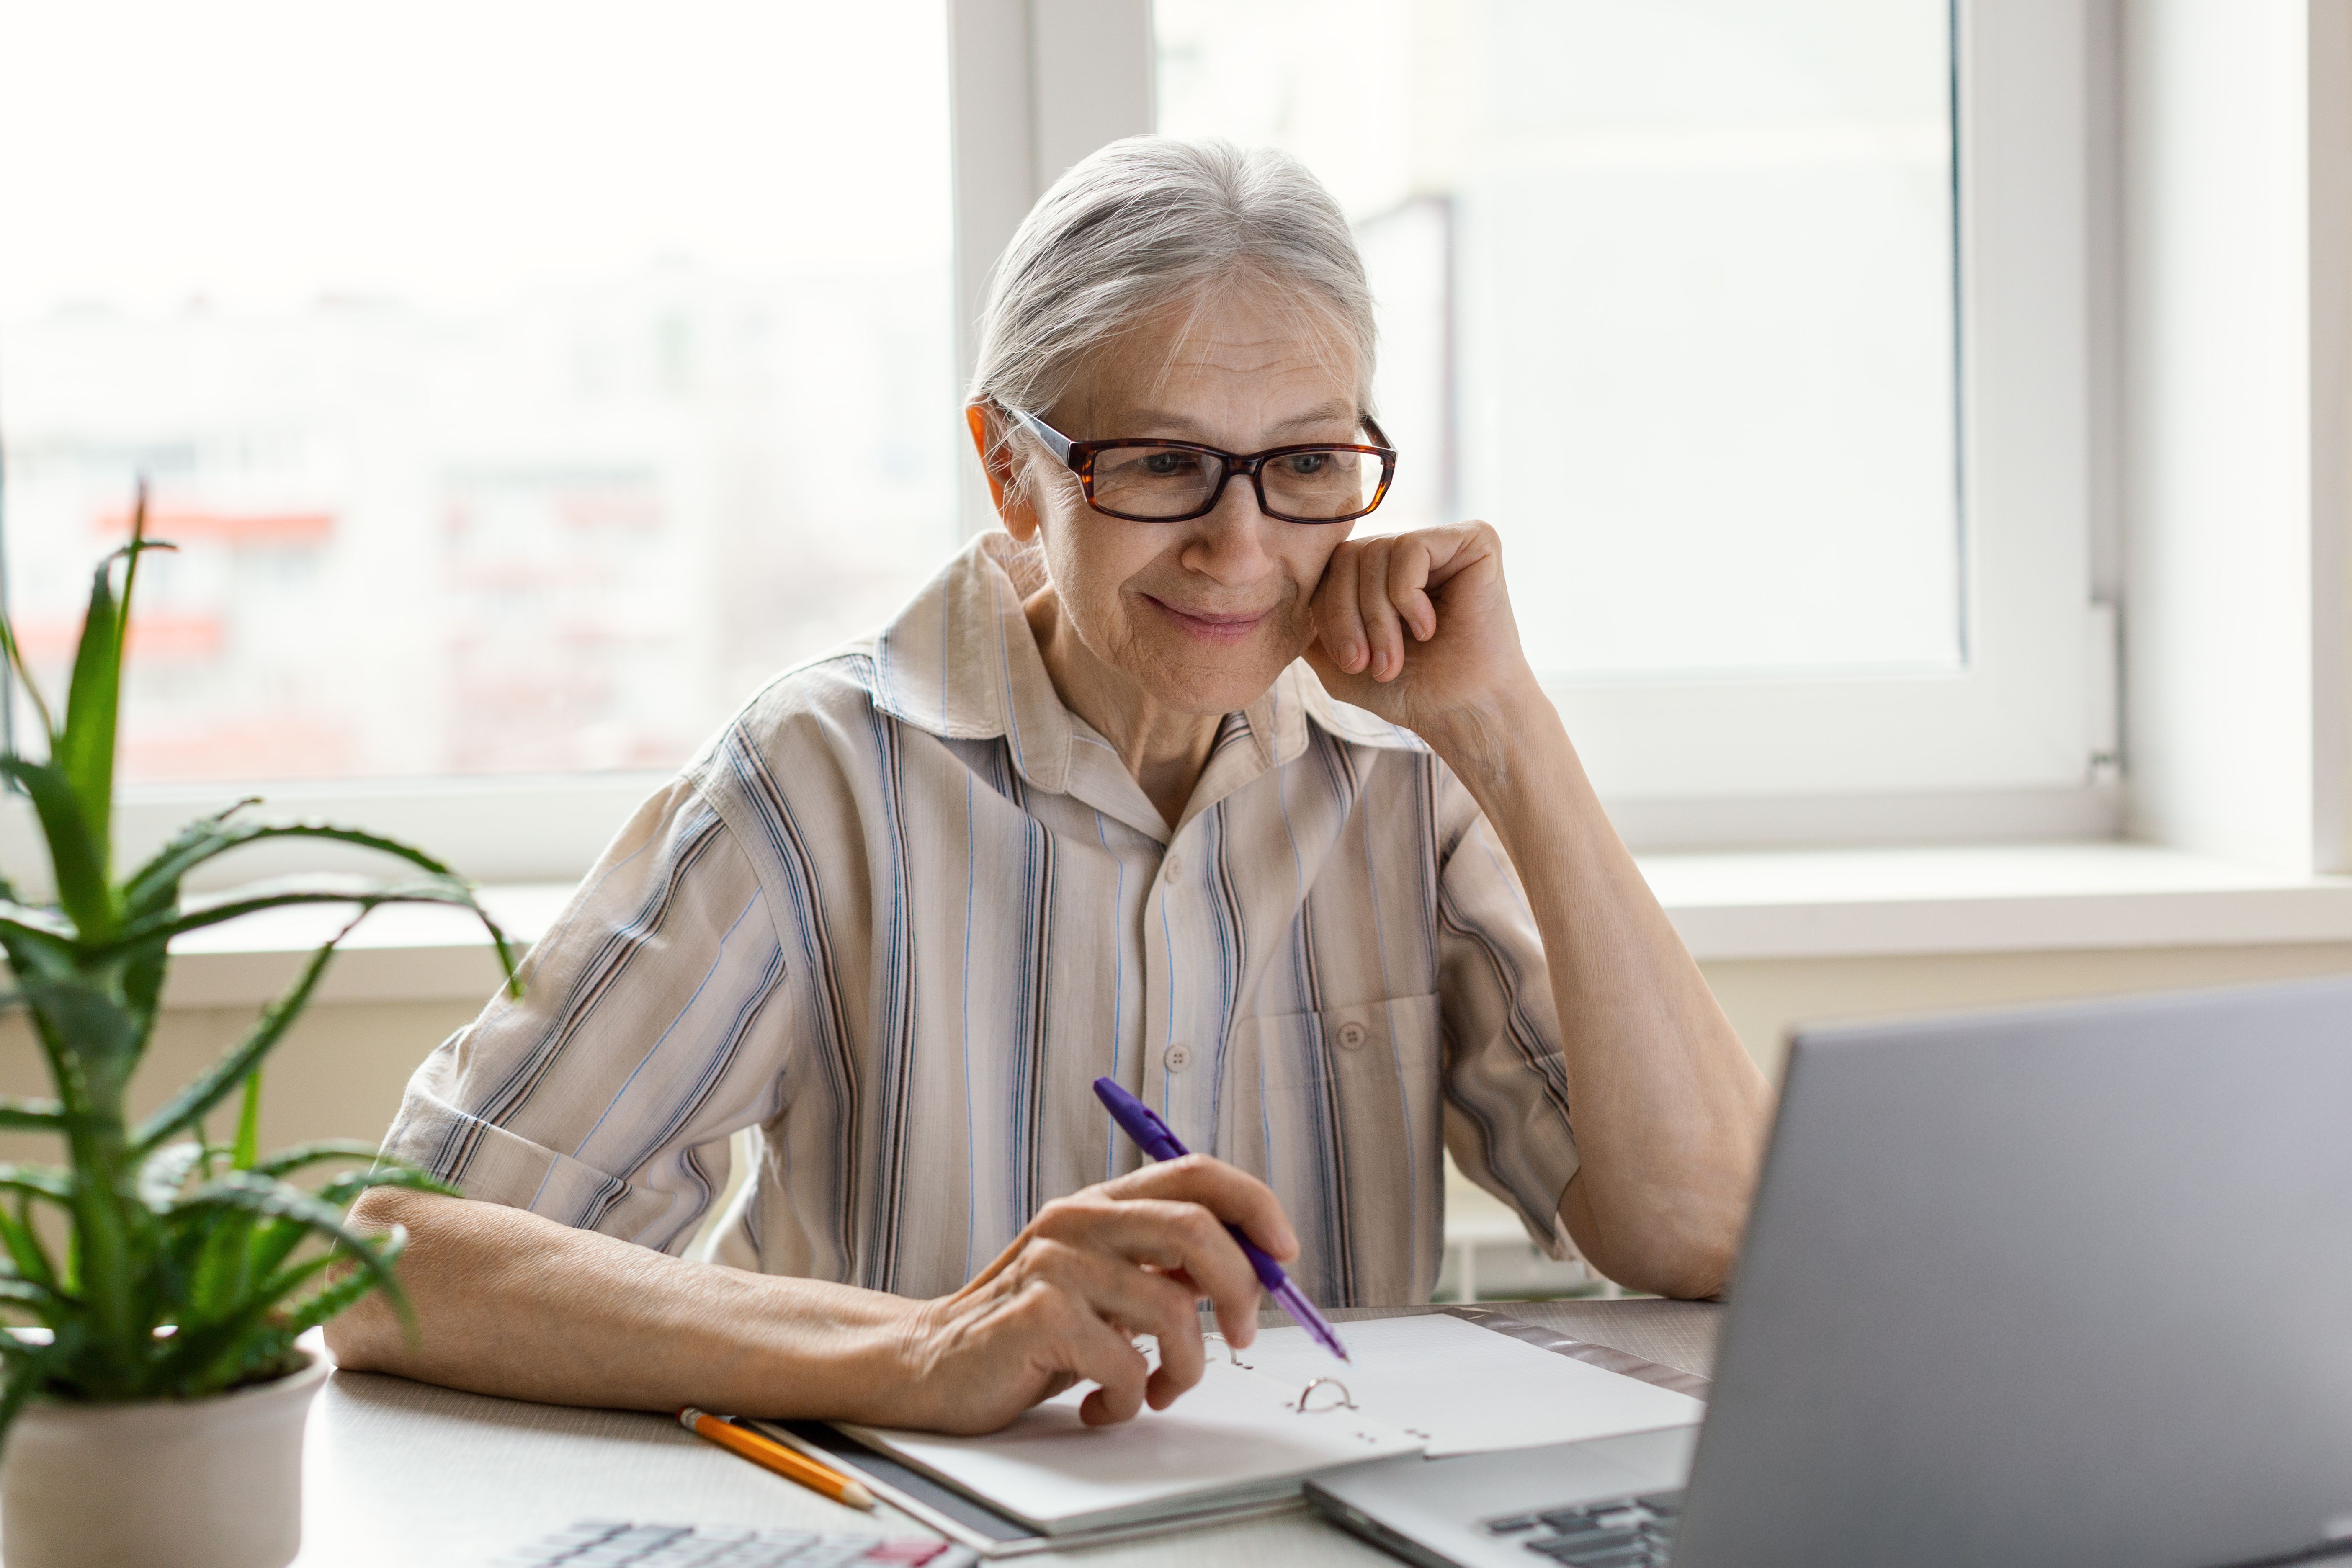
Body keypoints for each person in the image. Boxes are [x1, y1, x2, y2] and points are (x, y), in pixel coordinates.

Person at [327, 137, 1771, 1435]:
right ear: (1013, 473)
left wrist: (1506, 727)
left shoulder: (1407, 764)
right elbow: (386, 1258)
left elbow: (1708, 1234)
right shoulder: (822, 776)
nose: (1240, 546)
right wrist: (922, 1346)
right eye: (1161, 463)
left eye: (1306, 464)